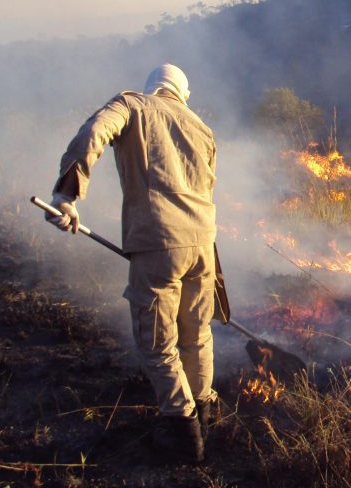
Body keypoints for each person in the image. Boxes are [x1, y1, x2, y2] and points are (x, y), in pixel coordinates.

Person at [46, 64, 217, 463]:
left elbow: (93, 134)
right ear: (182, 93)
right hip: (204, 245)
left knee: (157, 342)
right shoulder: (202, 127)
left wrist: (68, 195)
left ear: (153, 87)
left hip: (159, 241)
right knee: (197, 334)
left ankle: (181, 431)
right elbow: (207, 187)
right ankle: (206, 414)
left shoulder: (132, 105)